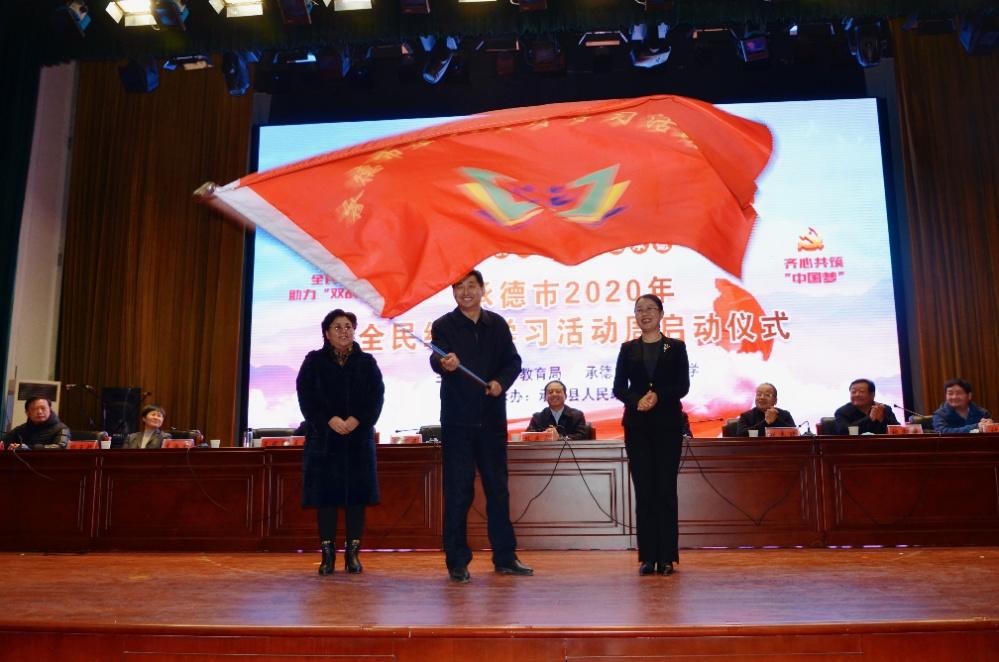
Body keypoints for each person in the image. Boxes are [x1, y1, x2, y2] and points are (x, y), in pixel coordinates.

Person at [430, 269, 531, 583]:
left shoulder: (496, 325)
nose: (465, 292)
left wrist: (501, 382)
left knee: (497, 489)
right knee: (458, 491)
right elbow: (436, 357)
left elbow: (513, 362)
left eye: (471, 286)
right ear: (453, 293)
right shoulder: (444, 325)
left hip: (491, 420)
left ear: (482, 289)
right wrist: (444, 363)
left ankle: (505, 557)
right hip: (457, 422)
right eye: (459, 287)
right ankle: (457, 561)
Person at [296, 308, 384, 576]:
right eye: (337, 327)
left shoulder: (367, 362)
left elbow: (376, 397)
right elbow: (306, 397)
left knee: (357, 498)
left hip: (357, 440)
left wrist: (358, 419)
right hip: (325, 441)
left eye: (348, 326)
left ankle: (353, 554)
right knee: (326, 499)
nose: (344, 331)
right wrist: (327, 419)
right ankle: (328, 555)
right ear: (326, 333)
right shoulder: (313, 362)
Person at [613, 293, 690, 576]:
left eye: (650, 309)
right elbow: (618, 387)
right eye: (639, 310)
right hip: (637, 427)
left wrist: (658, 395)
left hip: (668, 426)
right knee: (644, 490)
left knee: (665, 490)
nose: (644, 314)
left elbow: (682, 385)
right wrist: (637, 401)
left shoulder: (675, 347)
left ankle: (667, 557)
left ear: (661, 314)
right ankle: (648, 557)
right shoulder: (628, 349)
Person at [833, 378, 899, 435]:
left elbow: (897, 429)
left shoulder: (884, 409)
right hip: (854, 445)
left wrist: (883, 419)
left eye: (861, 392)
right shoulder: (841, 412)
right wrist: (869, 418)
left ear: (872, 395)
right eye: (853, 392)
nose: (857, 395)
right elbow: (843, 432)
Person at [1, 397, 70, 450]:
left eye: (43, 408)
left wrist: (29, 448)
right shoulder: (20, 430)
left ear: (50, 410)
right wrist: (11, 447)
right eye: (34, 409)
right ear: (27, 413)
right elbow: (3, 443)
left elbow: (60, 446)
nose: (39, 412)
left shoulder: (61, 428)